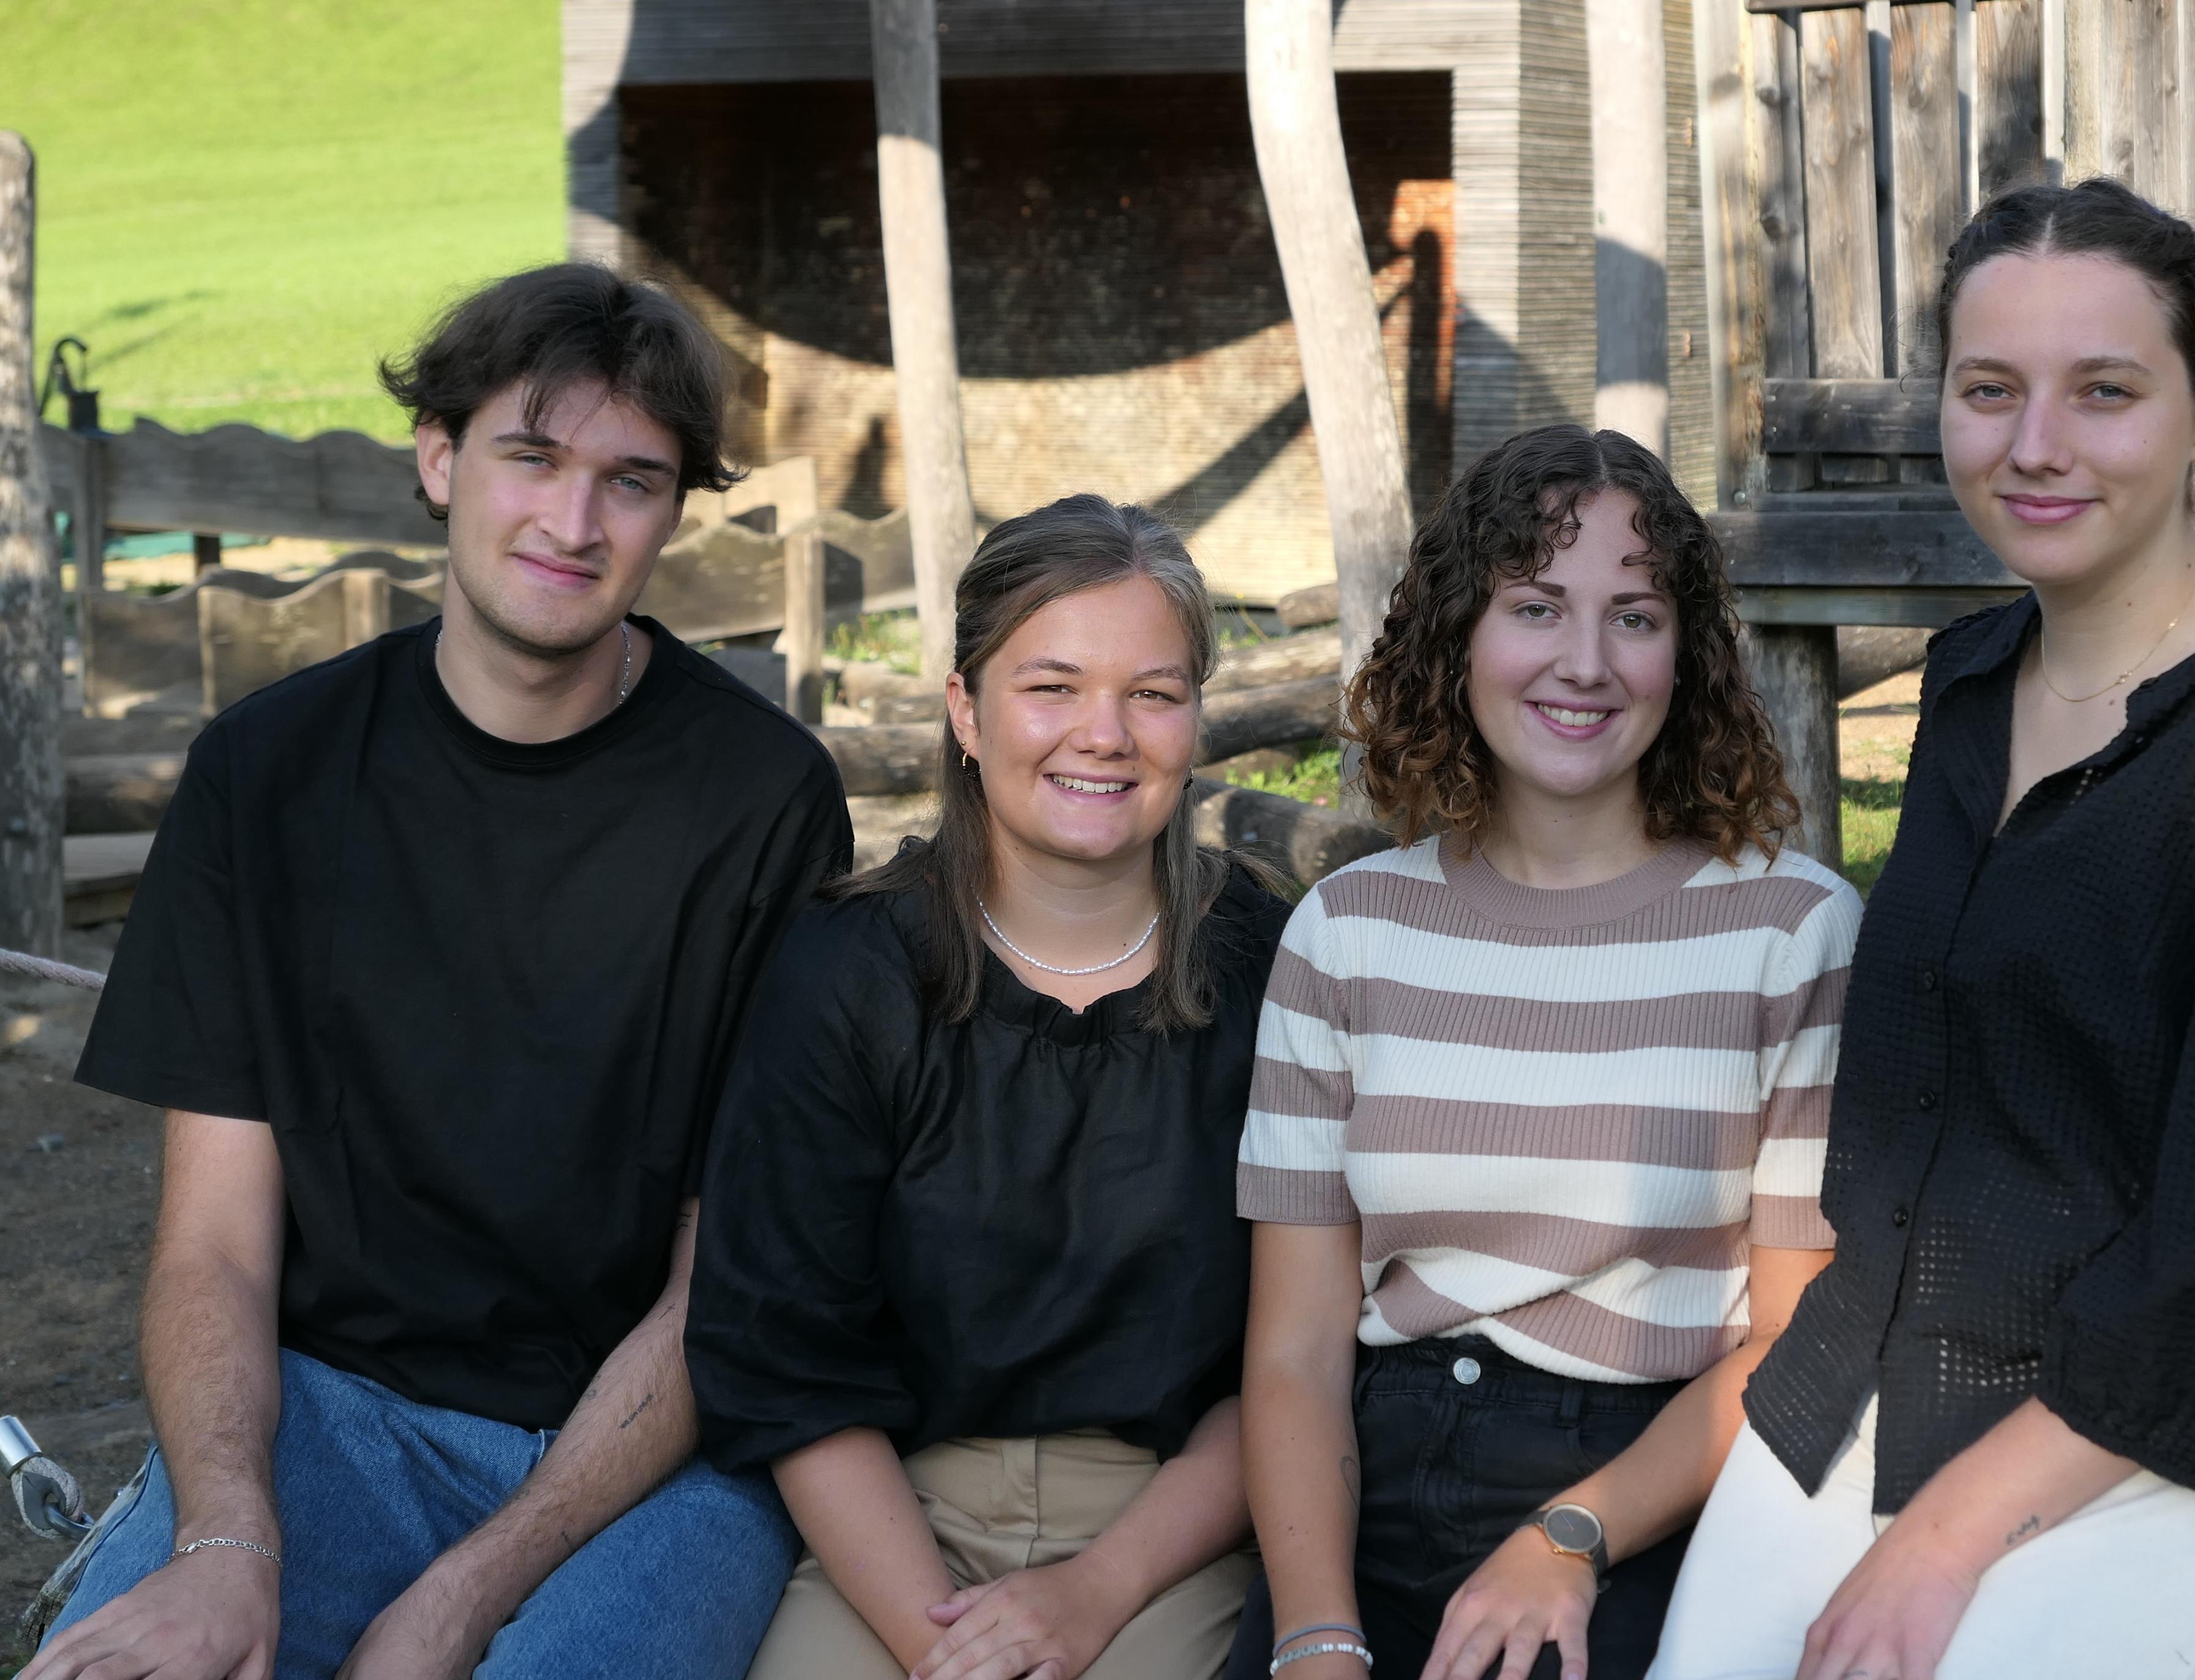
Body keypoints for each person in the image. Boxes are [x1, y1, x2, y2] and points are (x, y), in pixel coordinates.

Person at [1650, 179, 2195, 1680]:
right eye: (1988, 390)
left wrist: (1941, 1537)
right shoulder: (1969, 687)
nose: (2033, 445)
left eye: (2102, 391)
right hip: (1885, 1362)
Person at [32, 263, 850, 1680]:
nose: (573, 524)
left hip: (662, 1455)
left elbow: (716, 1291)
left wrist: (461, 1596)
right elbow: (214, 1245)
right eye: (530, 456)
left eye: (631, 481)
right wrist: (224, 1539)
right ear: (437, 459)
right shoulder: (265, 778)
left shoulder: (762, 800)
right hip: (335, 1417)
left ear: (674, 511)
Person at [1231, 424, 1863, 1680]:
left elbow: (1796, 1340)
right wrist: (1313, 1634)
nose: (1585, 663)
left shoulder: (1792, 931)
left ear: (1685, 653)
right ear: (1458, 635)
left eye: (1633, 617)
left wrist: (1572, 1535)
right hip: (1367, 1478)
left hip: (1647, 1490)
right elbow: (1294, 1354)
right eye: (1535, 608)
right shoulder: (1345, 932)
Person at [685, 493, 1291, 1680]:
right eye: (1051, 686)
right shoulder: (846, 976)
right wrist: (944, 1649)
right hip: (895, 1518)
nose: (1103, 734)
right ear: (966, 709)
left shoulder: (1263, 967)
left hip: (1173, 1530)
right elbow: (791, 1358)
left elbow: (1295, 1351)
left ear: (1195, 719)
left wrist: (1093, 1595)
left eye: (1152, 693)